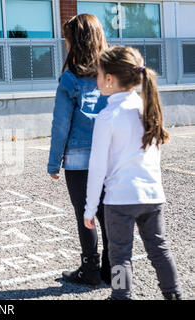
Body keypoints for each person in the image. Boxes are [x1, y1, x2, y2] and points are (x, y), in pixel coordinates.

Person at [84, 46, 182, 300]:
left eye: (98, 74)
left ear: (110, 79)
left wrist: (90, 208)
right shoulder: (149, 109)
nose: (96, 79)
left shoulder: (107, 116)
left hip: (120, 200)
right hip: (152, 196)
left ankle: (121, 296)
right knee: (159, 249)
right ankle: (173, 295)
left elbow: (97, 168)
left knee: (120, 255)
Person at [47, 14, 110, 286]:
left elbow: (60, 125)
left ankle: (90, 269)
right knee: (108, 213)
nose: (66, 45)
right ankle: (113, 268)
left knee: (86, 214)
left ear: (76, 42)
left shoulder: (69, 80)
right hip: (109, 157)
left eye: (68, 40)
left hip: (78, 160)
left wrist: (53, 163)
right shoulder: (110, 77)